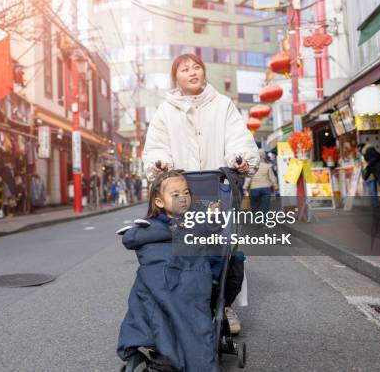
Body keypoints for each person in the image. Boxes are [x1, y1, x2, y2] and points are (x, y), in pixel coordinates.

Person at [142, 53, 259, 336]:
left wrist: (240, 158)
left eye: (197, 67)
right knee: (181, 248)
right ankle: (182, 305)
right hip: (180, 192)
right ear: (176, 78)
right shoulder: (165, 111)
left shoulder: (223, 105)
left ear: (204, 73)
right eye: (185, 69)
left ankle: (224, 305)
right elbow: (156, 146)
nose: (192, 72)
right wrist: (160, 163)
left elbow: (238, 138)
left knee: (223, 247)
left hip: (217, 188)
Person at [117, 170, 220, 371]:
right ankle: (155, 345)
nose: (183, 198)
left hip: (191, 273)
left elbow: (209, 238)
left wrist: (213, 220)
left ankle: (172, 353)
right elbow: (134, 240)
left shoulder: (197, 220)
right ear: (159, 202)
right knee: (145, 291)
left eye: (186, 192)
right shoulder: (151, 227)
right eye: (175, 195)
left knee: (178, 300)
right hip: (158, 272)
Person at [244, 149, 278, 215]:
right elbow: (272, 178)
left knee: (255, 206)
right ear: (264, 156)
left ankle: (257, 221)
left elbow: (248, 178)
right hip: (266, 188)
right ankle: (264, 221)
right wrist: (275, 186)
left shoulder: (252, 167)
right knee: (265, 206)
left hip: (254, 189)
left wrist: (245, 187)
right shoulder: (267, 166)